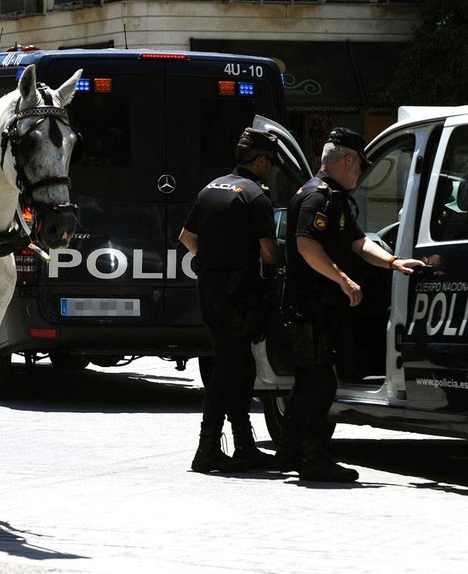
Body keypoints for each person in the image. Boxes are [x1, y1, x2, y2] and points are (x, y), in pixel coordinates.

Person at [278, 127, 426, 482]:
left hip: (318, 307)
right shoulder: (318, 197)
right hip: (310, 306)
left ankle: (291, 451)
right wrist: (341, 279)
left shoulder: (334, 198)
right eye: (360, 164)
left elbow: (359, 244)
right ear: (348, 160)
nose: (361, 172)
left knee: (310, 380)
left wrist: (393, 262)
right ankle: (311, 458)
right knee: (319, 384)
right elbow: (306, 245)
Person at [178, 127, 282, 473]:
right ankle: (207, 448)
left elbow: (186, 237)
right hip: (238, 292)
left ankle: (243, 445)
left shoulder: (211, 189)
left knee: (237, 364)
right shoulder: (256, 195)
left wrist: (212, 259)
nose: (271, 169)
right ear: (262, 160)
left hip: (209, 286)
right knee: (228, 367)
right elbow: (269, 253)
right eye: (271, 163)